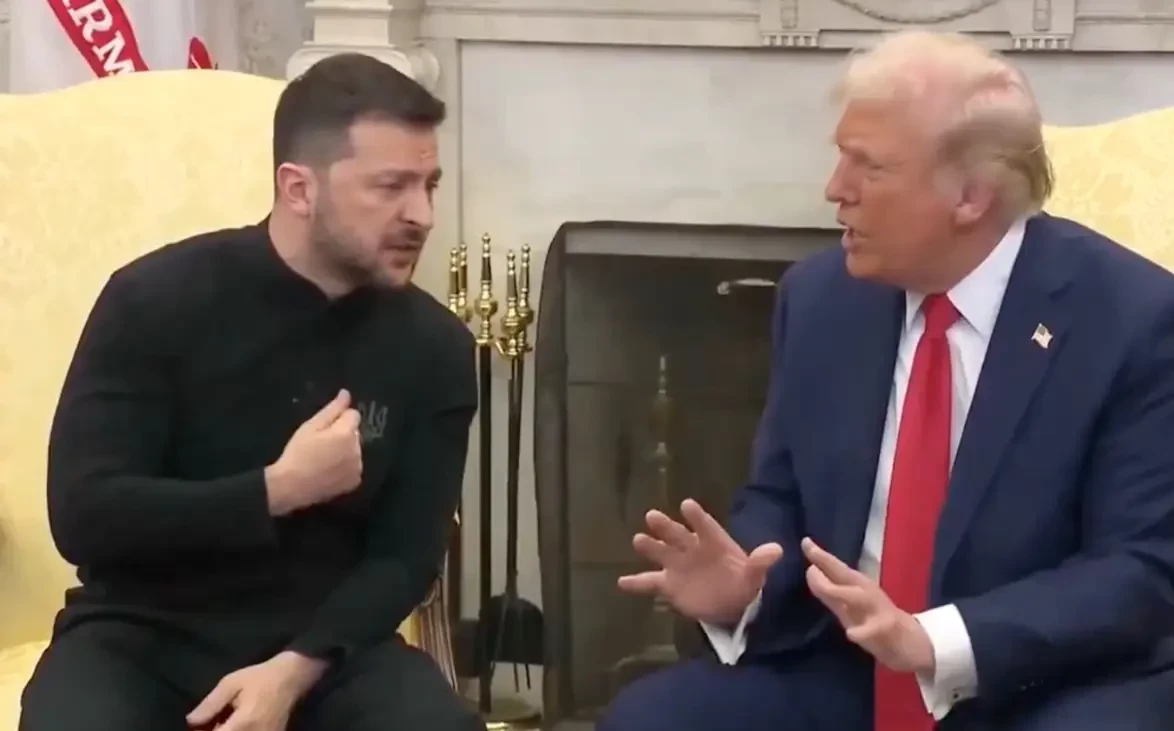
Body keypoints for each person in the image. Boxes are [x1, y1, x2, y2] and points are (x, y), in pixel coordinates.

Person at [600, 30, 1174, 731]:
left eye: (867, 166)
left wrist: (935, 642)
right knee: (654, 718)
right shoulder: (820, 299)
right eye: (841, 156)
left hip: (1036, 680)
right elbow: (781, 499)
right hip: (850, 667)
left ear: (970, 197)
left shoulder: (1133, 318)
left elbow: (1140, 568)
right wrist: (745, 586)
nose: (835, 189)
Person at [19, 53, 483, 731]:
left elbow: (404, 558)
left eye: (429, 185)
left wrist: (294, 669)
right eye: (390, 187)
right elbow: (85, 514)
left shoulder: (436, 349)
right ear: (298, 188)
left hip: (329, 647)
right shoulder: (154, 301)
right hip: (140, 632)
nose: (422, 214)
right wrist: (276, 489)